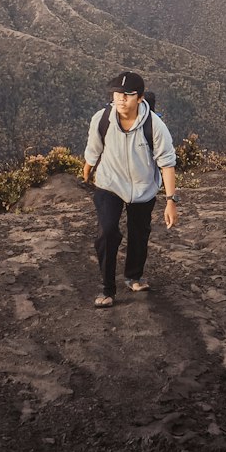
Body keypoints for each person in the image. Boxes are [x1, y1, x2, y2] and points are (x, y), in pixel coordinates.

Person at [83, 70, 177, 309]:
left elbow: (166, 162)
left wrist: (170, 200)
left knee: (139, 233)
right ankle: (107, 289)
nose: (121, 99)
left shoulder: (155, 125)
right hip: (109, 184)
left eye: (128, 95)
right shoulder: (102, 118)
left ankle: (133, 276)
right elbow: (94, 147)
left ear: (141, 97)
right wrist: (87, 169)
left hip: (143, 187)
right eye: (117, 94)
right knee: (107, 232)